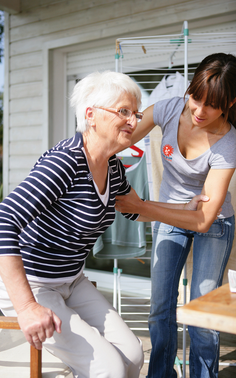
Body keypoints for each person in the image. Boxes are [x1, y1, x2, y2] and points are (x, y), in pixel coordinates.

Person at [0, 70, 209, 378]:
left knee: (132, 356)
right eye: (123, 112)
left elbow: (136, 209)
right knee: (110, 369)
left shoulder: (113, 166)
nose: (134, 121)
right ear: (90, 115)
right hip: (34, 283)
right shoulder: (64, 162)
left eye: (136, 112)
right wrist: (27, 308)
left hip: (71, 280)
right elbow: (0, 224)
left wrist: (182, 208)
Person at [115, 52, 236, 378]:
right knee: (160, 310)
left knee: (202, 315)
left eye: (211, 105)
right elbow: (118, 139)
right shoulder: (169, 109)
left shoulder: (228, 144)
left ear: (230, 102)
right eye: (196, 97)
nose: (198, 110)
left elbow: (203, 219)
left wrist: (142, 207)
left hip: (213, 222)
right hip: (170, 213)